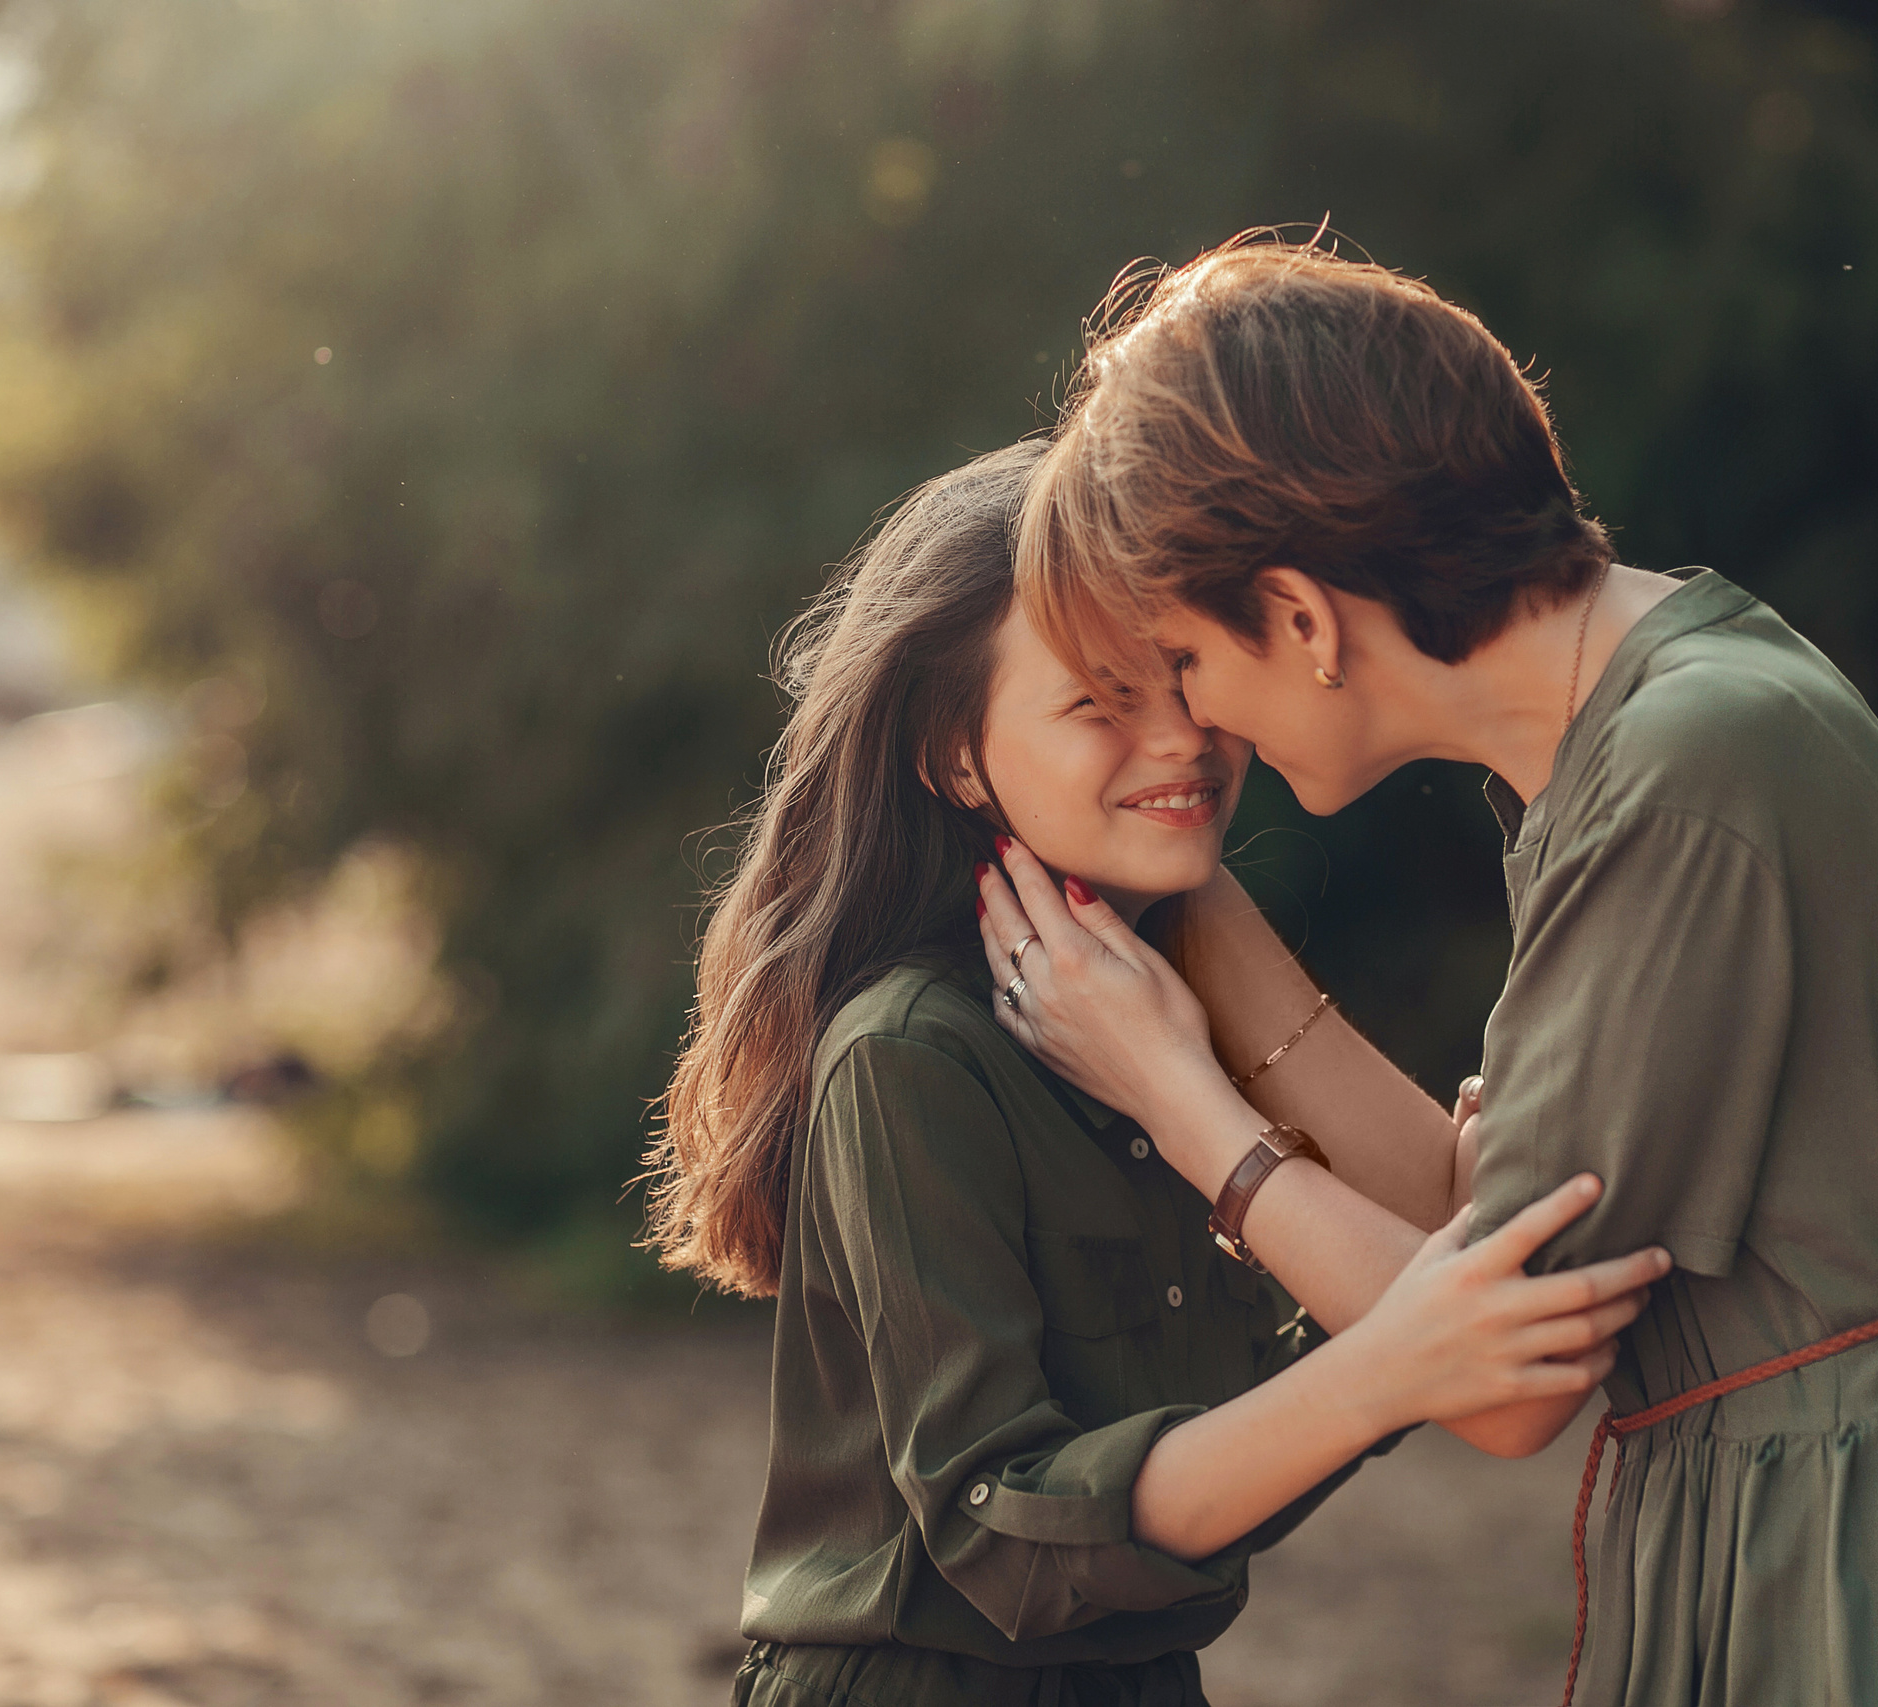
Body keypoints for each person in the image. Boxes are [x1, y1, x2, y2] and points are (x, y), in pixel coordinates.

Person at [975, 239, 1878, 1706]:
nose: (1190, 722)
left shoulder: (1683, 772)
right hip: (1844, 1500)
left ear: (1304, 620)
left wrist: (1176, 1096)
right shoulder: (1642, 715)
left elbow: (1507, 1365)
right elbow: (1479, 1216)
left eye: (1184, 659)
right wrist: (1195, 904)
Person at [642, 440, 1666, 1707]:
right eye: (1098, 702)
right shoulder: (912, 1049)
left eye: (1182, 675)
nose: (1182, 738)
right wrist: (1384, 1359)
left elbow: (1398, 1316)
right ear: (956, 757)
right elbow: (998, 1535)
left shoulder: (1157, 1005)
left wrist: (1205, 1043)